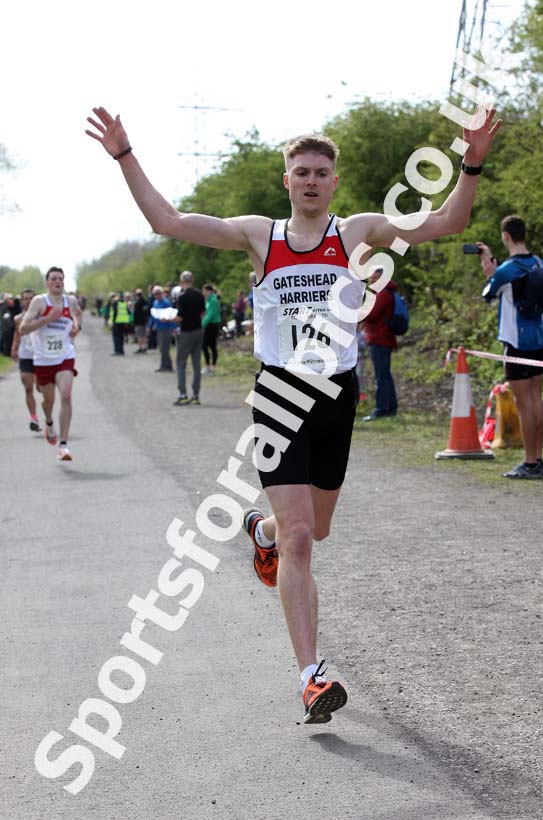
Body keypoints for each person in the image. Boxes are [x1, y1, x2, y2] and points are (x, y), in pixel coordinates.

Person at [86, 104, 500, 723]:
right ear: (287, 181)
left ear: (334, 181)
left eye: (320, 172)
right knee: (303, 538)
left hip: (337, 395)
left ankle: (262, 531)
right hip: (279, 395)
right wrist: (125, 154)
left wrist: (469, 162)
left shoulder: (357, 233)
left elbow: (445, 221)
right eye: (300, 171)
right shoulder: (261, 236)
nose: (310, 180)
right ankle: (311, 675)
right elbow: (167, 220)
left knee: (313, 529)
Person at [478, 215, 543, 479]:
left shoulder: (506, 270)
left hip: (516, 342)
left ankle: (530, 463)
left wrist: (488, 271)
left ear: (506, 236)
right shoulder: (538, 261)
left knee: (523, 402)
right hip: (539, 337)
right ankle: (537, 458)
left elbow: (488, 294)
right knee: (536, 398)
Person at [19, 267, 81, 461]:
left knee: (66, 395)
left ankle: (63, 445)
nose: (58, 282)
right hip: (43, 359)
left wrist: (76, 327)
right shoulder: (39, 302)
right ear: (47, 283)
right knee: (48, 402)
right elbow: (23, 328)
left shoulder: (70, 301)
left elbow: (78, 314)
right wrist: (47, 319)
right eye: (54, 279)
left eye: (61, 279)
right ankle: (48, 422)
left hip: (65, 355)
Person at [362, 266, 398, 420]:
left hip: (380, 339)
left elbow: (372, 314)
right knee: (385, 375)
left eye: (374, 278)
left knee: (381, 376)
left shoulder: (383, 293)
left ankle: (382, 409)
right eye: (370, 278)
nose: (371, 280)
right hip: (382, 338)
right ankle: (390, 407)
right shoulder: (384, 292)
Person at [11, 288, 42, 432]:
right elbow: (18, 334)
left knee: (40, 388)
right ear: (21, 301)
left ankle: (47, 415)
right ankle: (34, 418)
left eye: (31, 298)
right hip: (26, 356)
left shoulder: (42, 315)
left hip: (41, 356)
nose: (28, 301)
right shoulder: (18, 318)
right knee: (28, 386)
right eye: (25, 299)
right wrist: (14, 348)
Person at [173, 271, 205, 406]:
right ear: (193, 280)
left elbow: (179, 317)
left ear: (181, 282)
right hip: (198, 331)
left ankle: (183, 394)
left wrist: (170, 319)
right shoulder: (200, 295)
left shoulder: (182, 297)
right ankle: (196, 396)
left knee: (181, 363)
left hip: (186, 332)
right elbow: (203, 312)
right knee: (196, 364)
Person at [149, 285, 176, 371]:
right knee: (161, 347)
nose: (157, 295)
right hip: (159, 327)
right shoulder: (155, 303)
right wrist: (150, 325)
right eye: (155, 294)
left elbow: (171, 315)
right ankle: (167, 365)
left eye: (158, 293)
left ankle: (165, 366)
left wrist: (172, 327)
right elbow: (154, 315)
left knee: (165, 347)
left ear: (162, 293)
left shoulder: (166, 303)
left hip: (166, 328)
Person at [201, 284, 221, 375]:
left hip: (211, 325)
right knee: (210, 345)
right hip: (212, 324)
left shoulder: (212, 300)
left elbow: (211, 315)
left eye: (204, 291)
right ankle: (210, 366)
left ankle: (210, 367)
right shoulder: (210, 300)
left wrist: (202, 324)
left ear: (209, 291)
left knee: (206, 345)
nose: (203, 293)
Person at [132, 288, 150, 353]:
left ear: (137, 295)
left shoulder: (137, 303)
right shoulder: (146, 302)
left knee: (139, 335)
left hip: (138, 322)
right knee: (144, 335)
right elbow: (148, 312)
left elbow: (135, 313)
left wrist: (134, 322)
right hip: (145, 321)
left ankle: (141, 347)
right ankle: (144, 347)